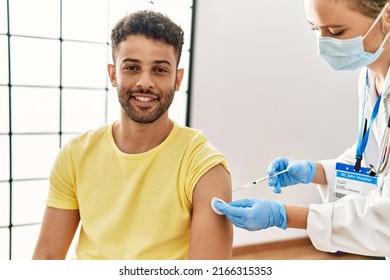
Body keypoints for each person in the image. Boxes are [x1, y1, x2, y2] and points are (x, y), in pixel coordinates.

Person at [32, 10, 233, 260]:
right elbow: (47, 258)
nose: (145, 82)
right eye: (132, 67)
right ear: (113, 74)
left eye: (159, 70)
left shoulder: (205, 167)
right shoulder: (75, 154)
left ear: (178, 79)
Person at [213, 0, 390, 259]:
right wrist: (315, 172)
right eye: (314, 29)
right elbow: (376, 162)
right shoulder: (369, 78)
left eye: (336, 32)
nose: (323, 45)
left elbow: (385, 219)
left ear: (387, 15)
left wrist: (283, 216)